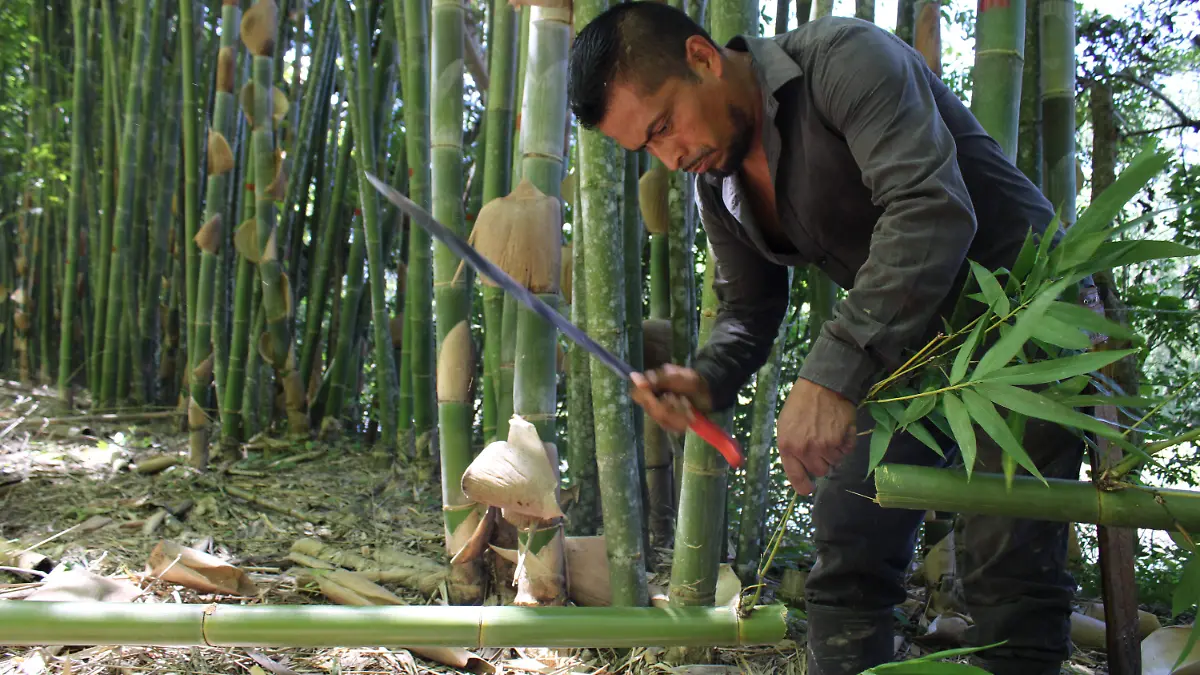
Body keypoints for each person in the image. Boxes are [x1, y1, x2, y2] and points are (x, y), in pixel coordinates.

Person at [568, 4, 1090, 675]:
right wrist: (705, 377)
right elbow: (748, 305)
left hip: (1023, 316)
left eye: (665, 124)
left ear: (701, 57)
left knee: (1006, 573)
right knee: (847, 539)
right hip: (913, 342)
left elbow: (931, 208)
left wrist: (831, 374)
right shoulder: (715, 177)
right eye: (649, 148)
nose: (671, 156)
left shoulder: (846, 60)